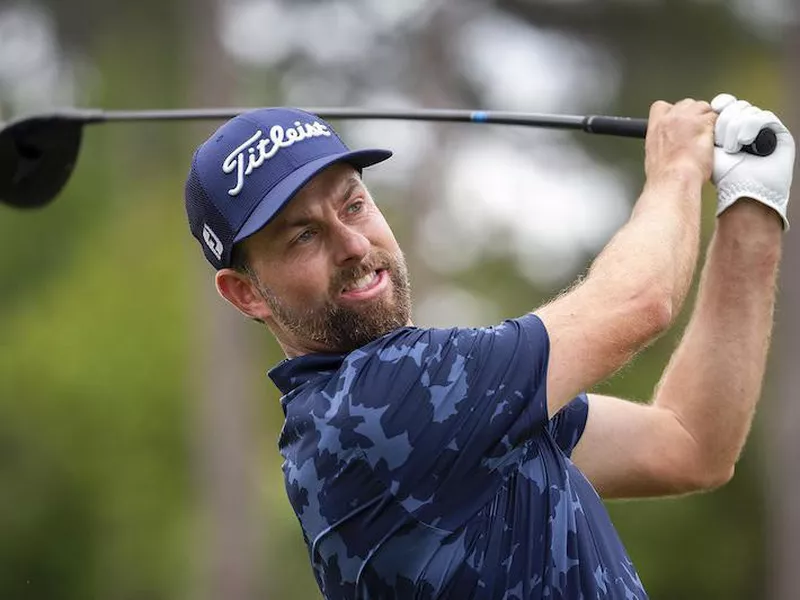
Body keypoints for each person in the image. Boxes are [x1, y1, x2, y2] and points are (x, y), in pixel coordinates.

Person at [183, 94, 794, 599]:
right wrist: (678, 167)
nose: (352, 244)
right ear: (246, 295)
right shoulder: (369, 411)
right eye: (302, 236)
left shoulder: (457, 416)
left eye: (355, 204)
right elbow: (638, 303)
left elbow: (689, 444)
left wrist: (754, 206)